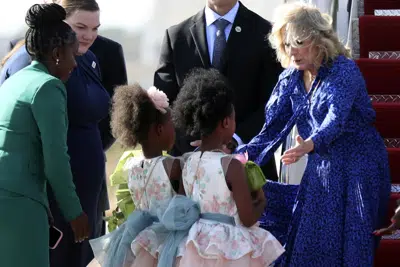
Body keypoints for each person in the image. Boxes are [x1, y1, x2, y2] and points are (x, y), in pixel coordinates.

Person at [236, 3, 391, 266]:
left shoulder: (343, 70)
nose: (292, 51)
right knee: (307, 243)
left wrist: (310, 143)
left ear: (318, 39)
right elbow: (270, 131)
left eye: (298, 41)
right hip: (322, 166)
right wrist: (235, 158)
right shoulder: (291, 79)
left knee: (351, 248)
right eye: (286, 44)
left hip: (359, 166)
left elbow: (335, 119)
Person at [1, 0, 128, 237]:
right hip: (52, 194)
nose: (89, 36)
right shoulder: (32, 67)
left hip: (87, 190)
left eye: (95, 28)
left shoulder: (88, 59)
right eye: (80, 27)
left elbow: (105, 117)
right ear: (61, 26)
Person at [0, 3, 90, 267]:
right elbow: (56, 160)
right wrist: (75, 213)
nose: (75, 63)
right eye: (73, 54)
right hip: (20, 205)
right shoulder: (48, 87)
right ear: (56, 53)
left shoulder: (15, 80)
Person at [154, 0, 282, 181]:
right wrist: (198, 146)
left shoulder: (266, 33)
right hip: (189, 170)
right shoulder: (176, 36)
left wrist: (234, 141)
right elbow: (165, 103)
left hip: (250, 169)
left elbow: (275, 102)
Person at [173, 68, 285, 266]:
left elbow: (184, 206)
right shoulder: (231, 165)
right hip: (230, 250)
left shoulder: (188, 161)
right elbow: (248, 218)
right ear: (226, 122)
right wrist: (260, 199)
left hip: (195, 246)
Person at [89, 84, 182, 267]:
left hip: (140, 237)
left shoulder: (132, 166)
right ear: (159, 130)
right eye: (171, 123)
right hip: (166, 238)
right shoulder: (171, 165)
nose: (175, 129)